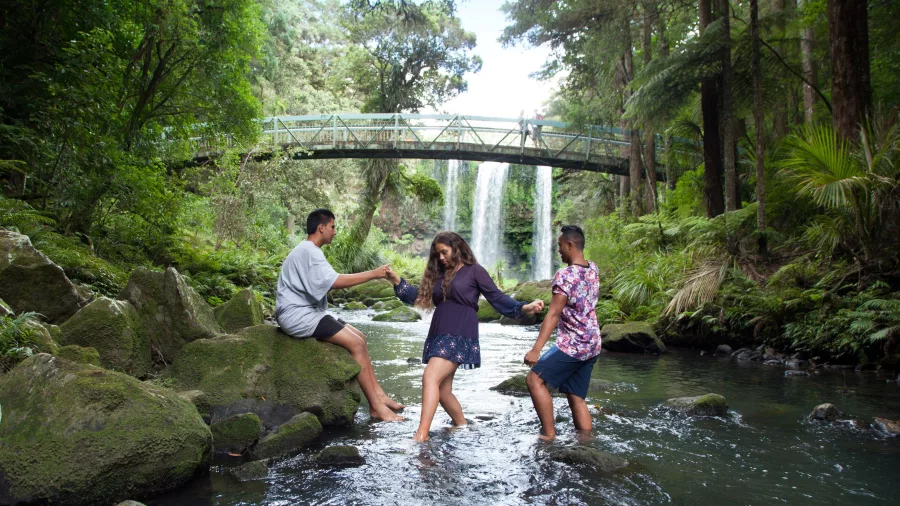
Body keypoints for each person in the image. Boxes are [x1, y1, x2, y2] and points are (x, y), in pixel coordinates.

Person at [386, 232, 545, 441]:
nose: (441, 257)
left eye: (444, 252)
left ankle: (421, 435)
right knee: (442, 390)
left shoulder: (475, 271)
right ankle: (462, 426)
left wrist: (524, 307)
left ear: (457, 247)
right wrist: (397, 280)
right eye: (438, 254)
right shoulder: (440, 275)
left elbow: (496, 297)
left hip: (460, 330)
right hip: (439, 331)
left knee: (430, 377)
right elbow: (420, 297)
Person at [275, 208, 404, 422]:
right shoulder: (309, 251)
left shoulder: (308, 250)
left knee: (360, 337)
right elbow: (334, 282)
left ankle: (380, 396)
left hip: (307, 312)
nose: (335, 232)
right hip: (298, 316)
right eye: (333, 227)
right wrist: (375, 273)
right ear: (321, 227)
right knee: (356, 344)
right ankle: (375, 407)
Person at [523, 225, 602, 440]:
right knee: (576, 396)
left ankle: (549, 435)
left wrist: (536, 350)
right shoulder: (593, 269)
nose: (558, 250)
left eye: (559, 245)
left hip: (574, 345)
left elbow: (554, 314)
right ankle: (586, 442)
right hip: (593, 343)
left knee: (534, 380)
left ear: (570, 245)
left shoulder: (565, 275)